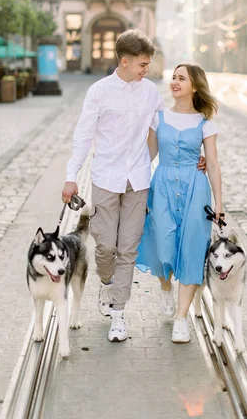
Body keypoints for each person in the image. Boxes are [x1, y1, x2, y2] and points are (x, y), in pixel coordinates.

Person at [62, 30, 204, 343]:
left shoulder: (150, 93)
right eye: (142, 64)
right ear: (124, 61)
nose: (147, 69)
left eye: (148, 64)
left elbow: (165, 129)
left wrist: (194, 155)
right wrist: (71, 175)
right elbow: (83, 135)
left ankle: (117, 314)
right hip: (105, 178)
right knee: (105, 247)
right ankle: (107, 282)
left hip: (139, 180)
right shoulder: (99, 92)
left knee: (127, 248)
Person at [136, 64, 222, 343]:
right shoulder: (158, 118)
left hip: (195, 191)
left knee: (192, 250)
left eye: (181, 78)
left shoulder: (205, 123)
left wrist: (219, 203)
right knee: (163, 246)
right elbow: (147, 156)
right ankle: (165, 287)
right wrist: (130, 186)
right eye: (173, 77)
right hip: (161, 188)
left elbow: (214, 164)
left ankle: (181, 319)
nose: (174, 82)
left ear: (194, 86)